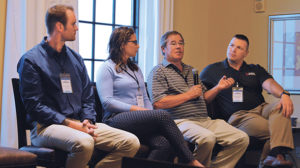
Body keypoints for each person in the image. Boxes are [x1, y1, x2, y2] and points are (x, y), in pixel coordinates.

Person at [17, 5, 140, 168]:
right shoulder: (31, 60)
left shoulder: (76, 59)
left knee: (131, 142)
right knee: (85, 142)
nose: (77, 28)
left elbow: (87, 97)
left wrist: (87, 120)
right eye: (73, 23)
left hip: (79, 123)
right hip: (45, 127)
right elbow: (35, 107)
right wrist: (71, 124)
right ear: (60, 27)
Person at [96, 27, 204, 168]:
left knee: (163, 144)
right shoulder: (107, 67)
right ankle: (191, 161)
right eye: (134, 42)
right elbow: (107, 102)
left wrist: (148, 112)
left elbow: (145, 98)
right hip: (116, 118)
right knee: (163, 115)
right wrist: (139, 110)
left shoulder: (135, 69)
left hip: (138, 119)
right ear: (122, 44)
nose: (138, 45)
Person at [147, 30, 249, 168]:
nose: (179, 46)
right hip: (179, 121)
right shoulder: (158, 71)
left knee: (241, 138)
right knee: (207, 138)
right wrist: (188, 95)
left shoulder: (191, 70)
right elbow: (159, 103)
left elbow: (204, 98)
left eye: (181, 43)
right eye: (174, 43)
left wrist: (218, 88)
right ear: (163, 49)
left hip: (204, 120)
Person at [200, 34, 294, 167]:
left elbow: (270, 84)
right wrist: (218, 88)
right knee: (276, 129)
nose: (233, 50)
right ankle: (275, 157)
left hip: (261, 108)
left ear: (246, 53)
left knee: (281, 107)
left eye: (239, 47)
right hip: (239, 116)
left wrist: (284, 94)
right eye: (231, 45)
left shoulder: (254, 69)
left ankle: (272, 157)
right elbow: (203, 99)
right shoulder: (212, 70)